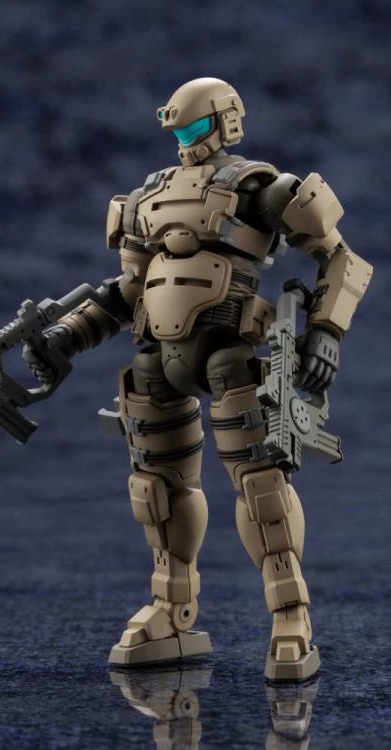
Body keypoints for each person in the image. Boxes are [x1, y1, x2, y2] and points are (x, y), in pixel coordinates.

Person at [24, 78, 373, 681]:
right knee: (156, 491)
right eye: (177, 130)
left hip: (230, 358)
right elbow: (127, 291)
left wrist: (325, 333)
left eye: (193, 127)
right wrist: (68, 336)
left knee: (261, 489)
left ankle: (290, 615)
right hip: (157, 363)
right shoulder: (148, 197)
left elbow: (342, 259)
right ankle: (171, 609)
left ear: (226, 123)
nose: (185, 140)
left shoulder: (261, 188)